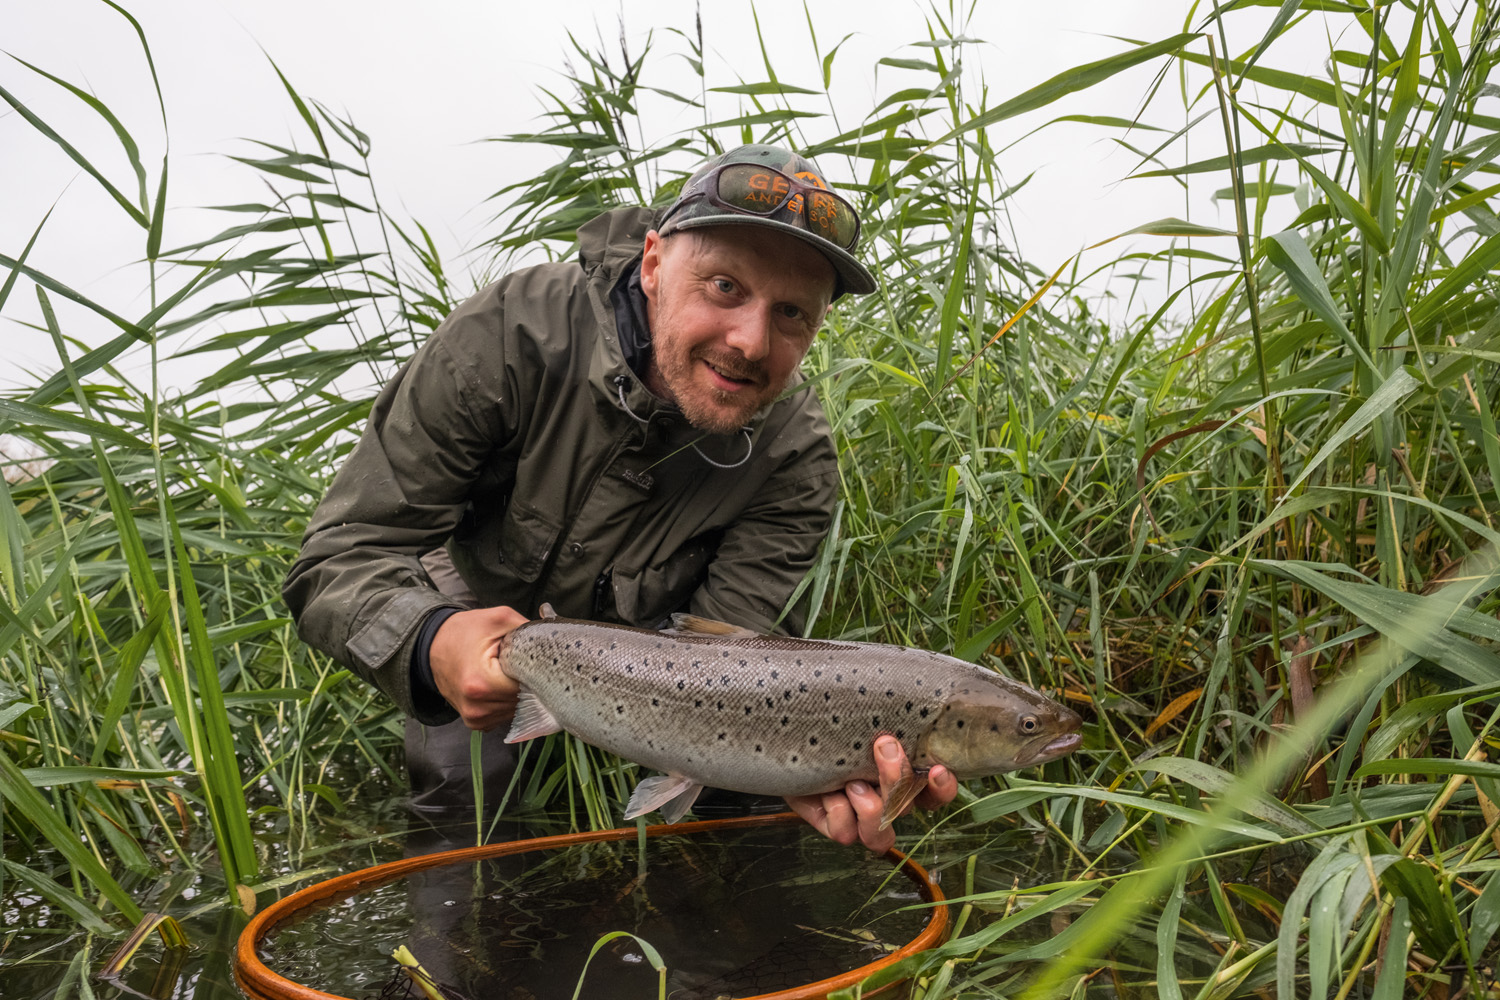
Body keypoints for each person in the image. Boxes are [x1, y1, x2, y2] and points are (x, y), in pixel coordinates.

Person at [282, 143, 957, 852]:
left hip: (669, 668)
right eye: (725, 286)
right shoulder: (512, 333)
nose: (751, 342)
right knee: (467, 830)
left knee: (740, 834)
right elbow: (340, 555)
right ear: (654, 262)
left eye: (791, 314)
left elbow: (734, 657)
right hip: (475, 611)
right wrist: (432, 641)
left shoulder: (795, 459)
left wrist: (803, 764)